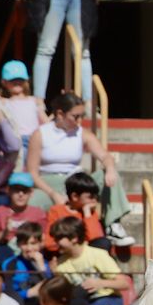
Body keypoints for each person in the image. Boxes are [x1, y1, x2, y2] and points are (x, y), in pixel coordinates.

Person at [25, 90, 128, 242]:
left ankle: (113, 224)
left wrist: (110, 169)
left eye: (82, 116)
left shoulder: (82, 133)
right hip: (48, 182)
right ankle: (33, 240)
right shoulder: (40, 134)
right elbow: (32, 173)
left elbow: (105, 156)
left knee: (109, 175)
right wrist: (53, 193)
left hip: (75, 180)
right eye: (75, 116)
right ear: (60, 114)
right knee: (33, 202)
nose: (79, 121)